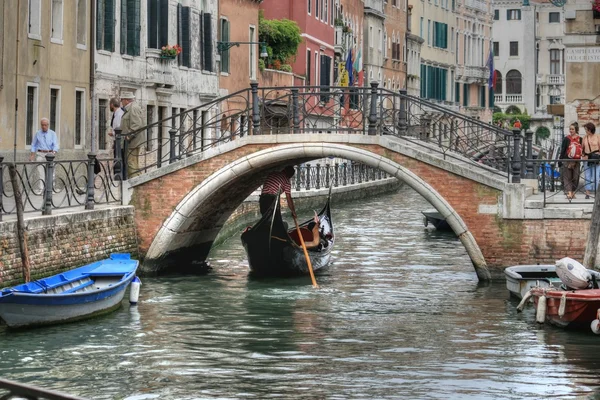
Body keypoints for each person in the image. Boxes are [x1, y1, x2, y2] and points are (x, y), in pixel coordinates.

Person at [119, 91, 146, 178]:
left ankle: (135, 184)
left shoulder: (133, 108)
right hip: (133, 141)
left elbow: (136, 124)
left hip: (132, 141)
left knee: (131, 163)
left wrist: (128, 136)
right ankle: (137, 182)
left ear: (126, 100)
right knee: (133, 163)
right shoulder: (131, 108)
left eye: (122, 100)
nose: (121, 102)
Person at [29, 118, 59, 192]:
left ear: (48, 125)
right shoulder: (38, 133)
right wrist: (32, 154)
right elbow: (33, 144)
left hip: (50, 154)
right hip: (40, 153)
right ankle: (41, 189)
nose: (44, 127)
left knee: (51, 173)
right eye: (42, 125)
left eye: (45, 125)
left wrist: (54, 152)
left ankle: (51, 189)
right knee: (40, 173)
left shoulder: (52, 133)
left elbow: (56, 145)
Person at [559, 122, 582, 200]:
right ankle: (569, 193)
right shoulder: (566, 139)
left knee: (575, 177)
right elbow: (563, 150)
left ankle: (572, 192)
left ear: (576, 130)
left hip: (577, 161)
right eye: (570, 129)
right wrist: (560, 159)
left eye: (572, 129)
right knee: (567, 177)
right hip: (567, 160)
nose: (571, 130)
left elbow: (582, 149)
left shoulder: (580, 139)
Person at [582, 122, 600, 199]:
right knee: (587, 176)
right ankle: (587, 193)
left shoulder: (598, 137)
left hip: (596, 158)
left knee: (596, 176)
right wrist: (583, 156)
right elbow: (582, 149)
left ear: (590, 129)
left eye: (586, 129)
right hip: (587, 158)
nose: (586, 131)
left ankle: (597, 193)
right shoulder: (584, 138)